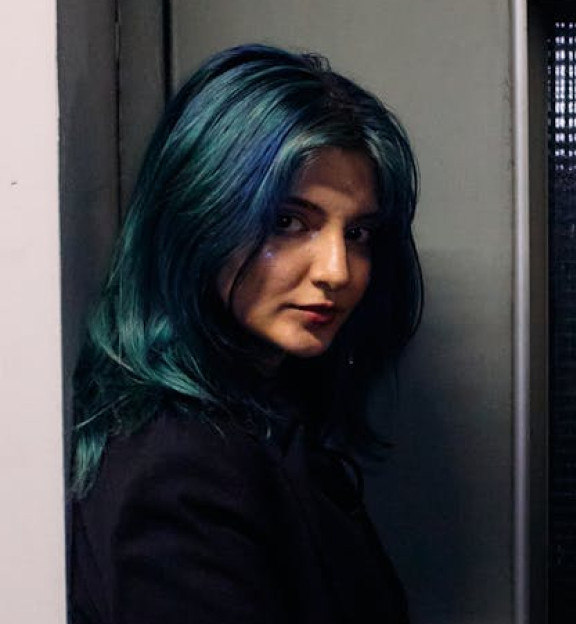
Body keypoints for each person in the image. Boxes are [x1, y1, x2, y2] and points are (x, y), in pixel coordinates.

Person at [68, 44, 420, 624]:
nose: (336, 271)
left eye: (358, 233)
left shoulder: (265, 417)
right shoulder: (178, 468)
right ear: (198, 217)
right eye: (288, 222)